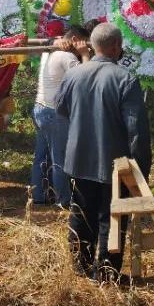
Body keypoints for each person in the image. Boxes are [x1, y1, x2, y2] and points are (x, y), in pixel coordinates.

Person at [55, 23, 151, 282]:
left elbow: (61, 108)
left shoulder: (74, 74)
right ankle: (106, 274)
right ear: (116, 47)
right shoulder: (125, 79)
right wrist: (140, 169)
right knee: (113, 218)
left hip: (78, 158)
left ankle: (80, 266)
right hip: (114, 163)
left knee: (81, 213)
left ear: (94, 45)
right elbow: (137, 131)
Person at [31, 26, 91, 205]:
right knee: (60, 158)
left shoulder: (48, 52)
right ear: (74, 39)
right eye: (81, 41)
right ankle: (63, 200)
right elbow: (86, 79)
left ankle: (38, 196)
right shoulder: (67, 56)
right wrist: (85, 54)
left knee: (41, 156)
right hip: (53, 113)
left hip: (40, 108)